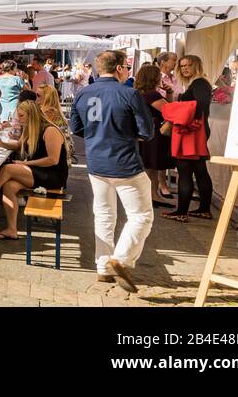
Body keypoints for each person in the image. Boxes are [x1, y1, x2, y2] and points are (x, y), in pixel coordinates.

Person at [69, 50, 154, 293]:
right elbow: (146, 132)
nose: (128, 71)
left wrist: (98, 136)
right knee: (141, 215)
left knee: (104, 215)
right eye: (126, 67)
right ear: (118, 68)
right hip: (124, 162)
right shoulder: (129, 93)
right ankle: (122, 259)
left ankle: (104, 266)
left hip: (96, 162)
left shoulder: (84, 92)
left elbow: (76, 127)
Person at [0, 100, 69, 239]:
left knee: (8, 169)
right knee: (9, 186)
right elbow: (19, 145)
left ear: (32, 115)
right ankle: (12, 229)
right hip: (39, 172)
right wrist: (2, 143)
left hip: (53, 175)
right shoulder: (30, 128)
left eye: (22, 116)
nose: (19, 119)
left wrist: (26, 164)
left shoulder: (50, 130)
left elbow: (53, 160)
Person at [165, 54, 214, 222]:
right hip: (195, 132)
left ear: (197, 66)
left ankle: (181, 212)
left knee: (185, 171)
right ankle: (204, 209)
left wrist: (180, 109)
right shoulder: (199, 83)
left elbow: (199, 106)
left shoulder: (199, 83)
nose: (185, 68)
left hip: (191, 133)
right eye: (182, 65)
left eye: (188, 65)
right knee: (200, 171)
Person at [133, 64, 175, 207]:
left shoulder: (138, 92)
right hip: (154, 133)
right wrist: (170, 95)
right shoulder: (152, 95)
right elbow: (170, 111)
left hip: (145, 132)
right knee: (152, 166)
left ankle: (153, 195)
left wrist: (168, 94)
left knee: (149, 167)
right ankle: (152, 196)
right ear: (153, 78)